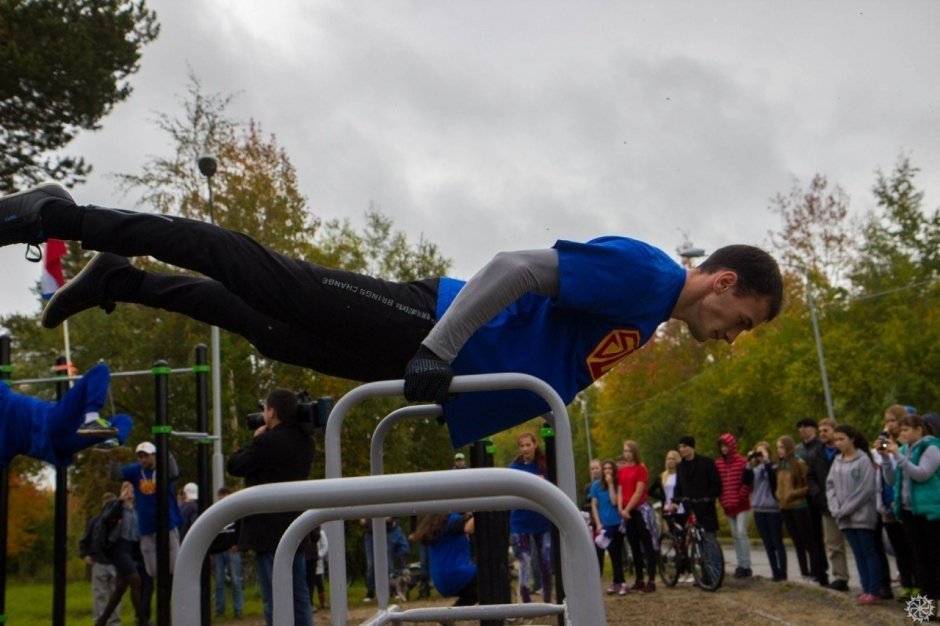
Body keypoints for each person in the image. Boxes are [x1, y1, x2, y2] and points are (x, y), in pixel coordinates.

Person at [0, 184, 783, 449]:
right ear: (722, 281)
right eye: (745, 320)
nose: (733, 337)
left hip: (438, 371)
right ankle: (66, 219)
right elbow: (514, 268)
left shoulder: (647, 318)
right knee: (262, 274)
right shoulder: (646, 272)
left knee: (265, 325)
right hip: (428, 330)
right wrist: (440, 346)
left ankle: (119, 280)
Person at [227, 388, 314, 626]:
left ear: (272, 412)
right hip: (296, 525)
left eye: (264, 409)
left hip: (267, 531)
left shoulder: (266, 442)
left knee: (274, 598)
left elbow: (234, 465)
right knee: (299, 596)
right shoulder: (305, 441)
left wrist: (255, 440)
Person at [0, 362, 132, 467]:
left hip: (62, 445)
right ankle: (94, 420)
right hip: (53, 425)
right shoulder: (4, 397)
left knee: (123, 420)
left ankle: (111, 441)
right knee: (100, 370)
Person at [881, 413, 940, 608]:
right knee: (919, 560)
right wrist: (887, 459)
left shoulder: (932, 448)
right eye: (901, 429)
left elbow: (921, 474)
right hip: (908, 511)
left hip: (929, 512)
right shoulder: (904, 450)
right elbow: (891, 480)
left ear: (919, 429)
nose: (902, 433)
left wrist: (897, 455)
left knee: (934, 559)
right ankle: (923, 610)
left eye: (906, 429)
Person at [110, 441, 183, 585]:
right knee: (153, 571)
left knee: (175, 567)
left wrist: (166, 452)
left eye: (146, 456)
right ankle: (163, 594)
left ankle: (174, 596)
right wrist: (114, 458)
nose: (143, 460)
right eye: (140, 456)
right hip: (146, 526)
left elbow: (174, 472)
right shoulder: (136, 470)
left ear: (154, 456)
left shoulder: (163, 468)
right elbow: (116, 476)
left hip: (166, 524)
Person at [826, 425, 881, 604]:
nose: (838, 443)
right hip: (844, 518)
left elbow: (865, 490)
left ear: (852, 439)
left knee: (868, 551)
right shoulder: (837, 460)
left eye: (842, 439)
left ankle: (874, 590)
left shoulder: (863, 460)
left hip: (861, 516)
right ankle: (865, 589)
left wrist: (845, 509)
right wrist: (835, 507)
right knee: (857, 553)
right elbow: (830, 485)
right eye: (836, 440)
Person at [94, 481, 150, 626]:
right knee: (136, 579)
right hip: (118, 547)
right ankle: (142, 620)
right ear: (122, 491)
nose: (130, 491)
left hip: (131, 549)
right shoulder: (116, 505)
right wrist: (120, 500)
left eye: (132, 489)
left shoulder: (137, 509)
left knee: (120, 588)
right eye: (126, 488)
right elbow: (106, 519)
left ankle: (102, 621)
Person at [875, 405, 916, 600]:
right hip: (889, 501)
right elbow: (889, 477)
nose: (889, 425)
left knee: (914, 551)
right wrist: (883, 456)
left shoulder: (908, 446)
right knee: (899, 550)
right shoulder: (887, 443)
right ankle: (907, 587)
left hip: (908, 503)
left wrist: (895, 452)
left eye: (893, 420)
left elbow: (914, 472)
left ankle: (920, 591)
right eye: (887, 421)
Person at [508, 431, 553, 604]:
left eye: (528, 445)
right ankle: (527, 601)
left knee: (545, 561)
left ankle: (548, 599)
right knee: (524, 560)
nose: (526, 448)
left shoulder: (544, 466)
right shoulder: (514, 469)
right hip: (520, 520)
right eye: (522, 445)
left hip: (541, 520)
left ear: (535, 445)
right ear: (519, 448)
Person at [775, 435, 826, 585]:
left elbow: (807, 484)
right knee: (797, 543)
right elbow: (778, 485)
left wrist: (793, 493)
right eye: (778, 448)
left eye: (782, 447)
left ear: (789, 448)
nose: (779, 451)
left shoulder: (798, 463)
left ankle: (816, 573)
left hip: (799, 506)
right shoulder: (780, 465)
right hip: (785, 507)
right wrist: (779, 494)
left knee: (808, 541)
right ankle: (804, 572)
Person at [806, 418, 848, 591]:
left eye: (826, 430)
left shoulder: (843, 451)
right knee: (833, 543)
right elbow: (811, 476)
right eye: (821, 430)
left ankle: (876, 583)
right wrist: (817, 494)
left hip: (847, 501)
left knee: (862, 545)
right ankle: (840, 576)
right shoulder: (816, 454)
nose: (822, 434)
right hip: (826, 504)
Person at [413, 512, 478, 607]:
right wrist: (482, 511)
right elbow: (469, 527)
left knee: (476, 592)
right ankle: (497, 614)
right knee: (494, 575)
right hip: (458, 575)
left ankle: (451, 615)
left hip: (440, 581)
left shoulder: (435, 522)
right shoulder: (450, 519)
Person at [618, 440, 657, 593]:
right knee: (633, 545)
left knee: (647, 544)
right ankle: (639, 578)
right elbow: (620, 490)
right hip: (627, 512)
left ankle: (651, 579)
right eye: (625, 451)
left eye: (629, 451)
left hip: (639, 510)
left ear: (634, 452)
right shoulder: (622, 471)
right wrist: (621, 509)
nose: (627, 454)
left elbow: (639, 491)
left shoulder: (641, 469)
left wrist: (627, 508)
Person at [794, 416, 830, 585]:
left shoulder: (820, 447)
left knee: (823, 536)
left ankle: (823, 570)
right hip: (804, 497)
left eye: (806, 426)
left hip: (819, 495)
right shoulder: (798, 449)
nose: (803, 430)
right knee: (810, 537)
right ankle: (816, 570)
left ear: (813, 429)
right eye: (800, 427)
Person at [79, 492, 121, 626]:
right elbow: (85, 540)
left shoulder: (121, 522)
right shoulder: (95, 521)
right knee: (99, 595)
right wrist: (84, 555)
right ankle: (99, 621)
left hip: (116, 562)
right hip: (99, 561)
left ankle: (113, 622)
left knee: (116, 595)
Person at [715, 433, 753, 578]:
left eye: (726, 445)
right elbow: (718, 484)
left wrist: (741, 496)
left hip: (741, 504)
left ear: (732, 446)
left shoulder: (741, 461)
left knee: (741, 533)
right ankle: (740, 564)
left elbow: (748, 482)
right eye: (722, 446)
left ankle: (746, 565)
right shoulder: (718, 464)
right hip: (727, 505)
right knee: (735, 535)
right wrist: (722, 499)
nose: (724, 449)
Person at [748, 442, 786, 582]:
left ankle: (783, 572)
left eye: (762, 452)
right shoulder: (755, 469)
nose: (760, 455)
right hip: (759, 508)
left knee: (777, 541)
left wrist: (767, 462)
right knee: (767, 543)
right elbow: (745, 481)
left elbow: (773, 481)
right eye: (757, 452)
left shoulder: (775, 467)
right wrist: (749, 463)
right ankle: (775, 572)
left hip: (773, 509)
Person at [669, 436, 721, 536]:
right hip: (689, 506)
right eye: (680, 447)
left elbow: (716, 483)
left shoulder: (707, 462)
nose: (681, 450)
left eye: (684, 446)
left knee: (709, 537)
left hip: (705, 506)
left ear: (692, 447)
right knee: (693, 536)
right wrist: (675, 502)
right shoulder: (680, 466)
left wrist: (709, 498)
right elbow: (679, 486)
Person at [590, 459, 626, 595]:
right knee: (603, 551)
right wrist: (598, 523)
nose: (607, 471)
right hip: (604, 524)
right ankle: (611, 581)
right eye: (605, 469)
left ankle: (620, 581)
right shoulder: (596, 486)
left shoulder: (617, 485)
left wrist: (611, 484)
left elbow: (614, 501)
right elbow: (594, 504)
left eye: (610, 469)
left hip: (616, 523)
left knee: (616, 554)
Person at [209, 486, 244, 620]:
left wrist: (238, 544)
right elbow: (210, 533)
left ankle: (238, 610)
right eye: (221, 497)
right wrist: (211, 551)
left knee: (236, 581)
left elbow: (241, 529)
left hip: (232, 549)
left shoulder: (236, 513)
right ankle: (219, 610)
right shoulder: (214, 513)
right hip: (218, 551)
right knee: (218, 582)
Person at [582, 459, 605, 573]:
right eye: (592, 469)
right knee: (596, 547)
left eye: (597, 468)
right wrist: (592, 504)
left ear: (601, 469)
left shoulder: (605, 484)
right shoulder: (588, 487)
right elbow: (584, 505)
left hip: (606, 518)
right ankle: (597, 570)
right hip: (594, 520)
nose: (595, 471)